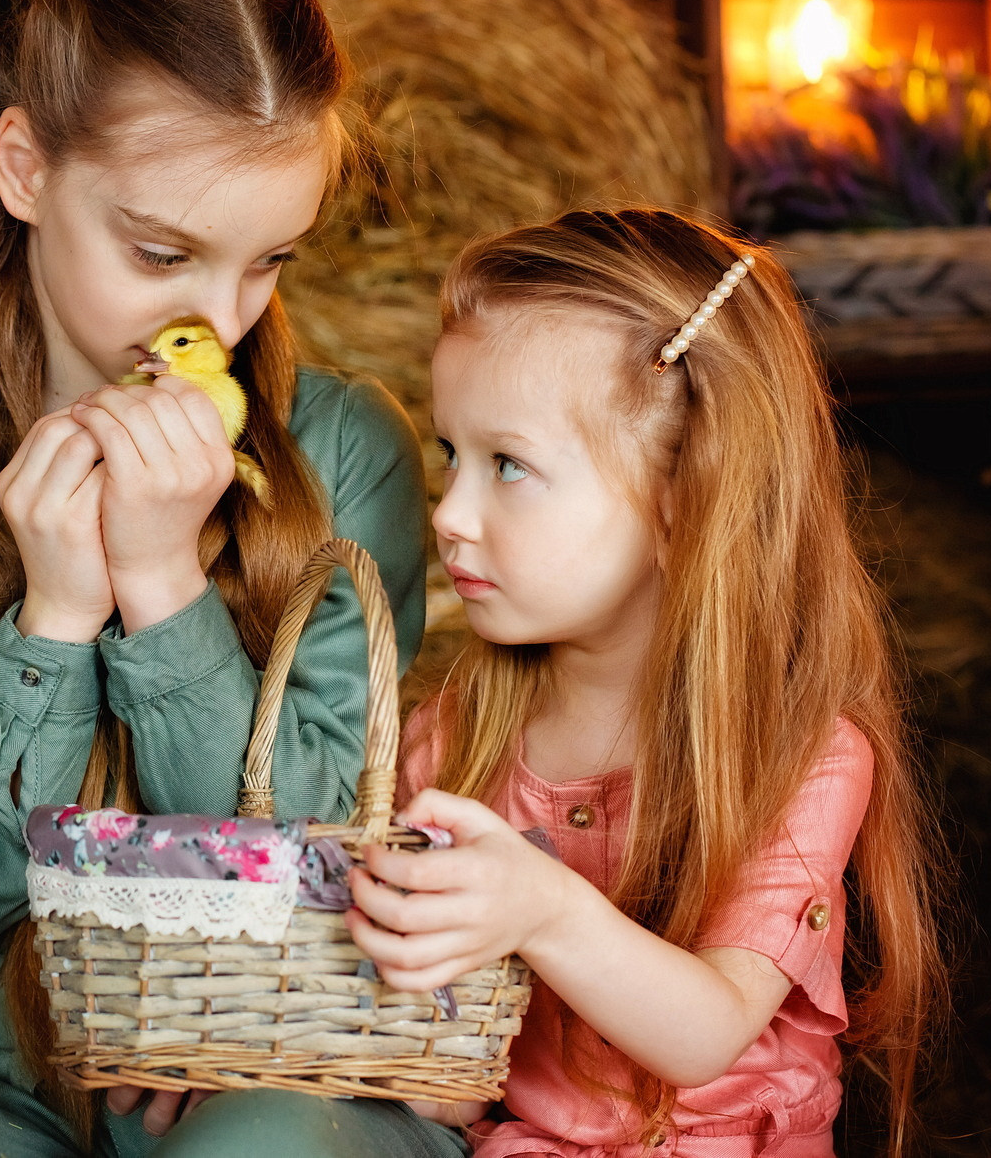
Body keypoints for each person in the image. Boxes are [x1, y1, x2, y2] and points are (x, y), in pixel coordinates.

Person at [0, 0, 446, 1156]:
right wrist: (50, 626)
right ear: (24, 169)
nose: (221, 318)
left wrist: (161, 586)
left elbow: (330, 868)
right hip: (6, 1074)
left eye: (270, 261)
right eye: (159, 252)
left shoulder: (346, 449)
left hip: (291, 1054)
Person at [346, 210, 945, 1157]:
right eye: (451, 454)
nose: (450, 513)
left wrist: (541, 905)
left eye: (509, 465)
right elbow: (449, 1074)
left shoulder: (802, 755)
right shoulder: (448, 743)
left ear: (681, 503)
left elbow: (706, 1031)